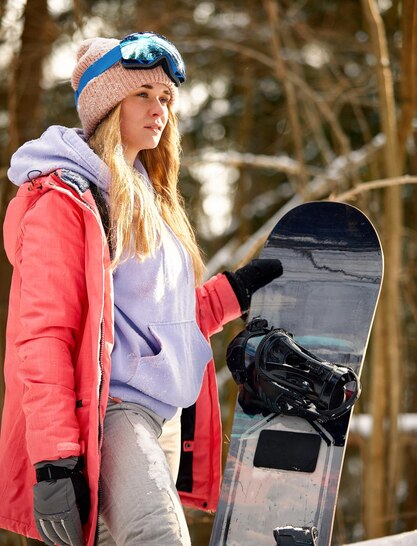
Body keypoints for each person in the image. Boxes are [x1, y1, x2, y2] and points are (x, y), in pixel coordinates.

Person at [0, 31, 282, 546]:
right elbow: (43, 336)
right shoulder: (66, 202)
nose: (160, 111)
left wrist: (232, 292)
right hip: (114, 414)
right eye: (143, 95)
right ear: (107, 106)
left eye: (166, 98)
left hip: (164, 418)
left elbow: (153, 317)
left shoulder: (147, 194)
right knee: (159, 537)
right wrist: (54, 459)